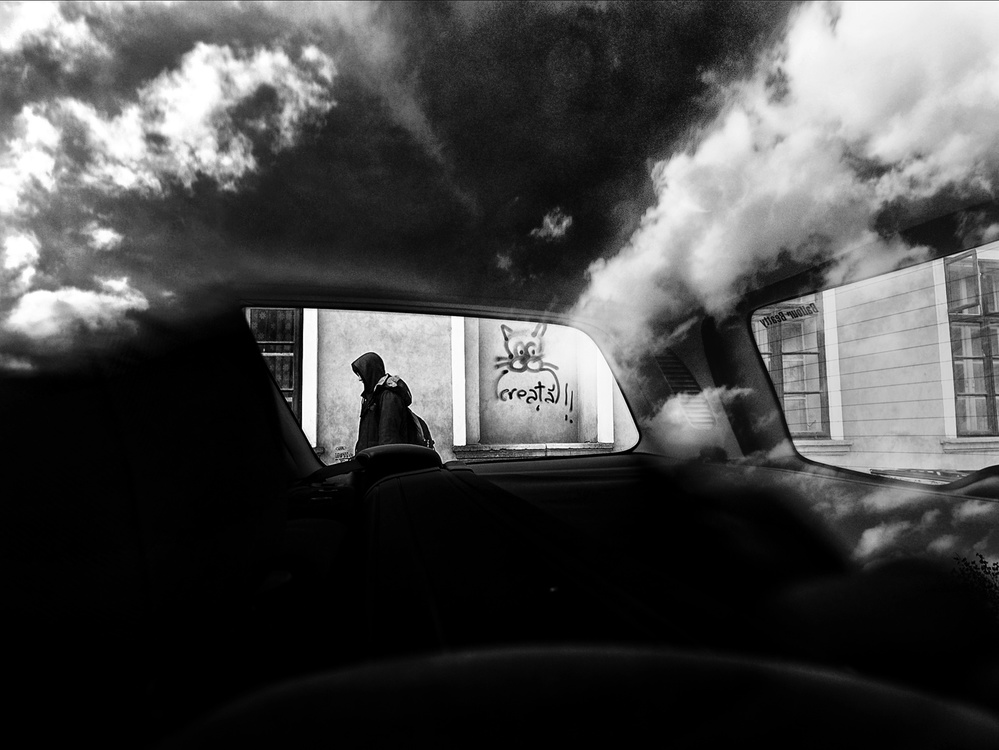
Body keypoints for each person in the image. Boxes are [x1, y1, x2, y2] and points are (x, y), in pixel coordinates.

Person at [351, 351, 414, 453]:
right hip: (370, 459)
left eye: (361, 374)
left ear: (371, 372)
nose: (359, 379)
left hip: (380, 461)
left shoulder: (389, 397)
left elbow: (388, 440)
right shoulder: (372, 397)